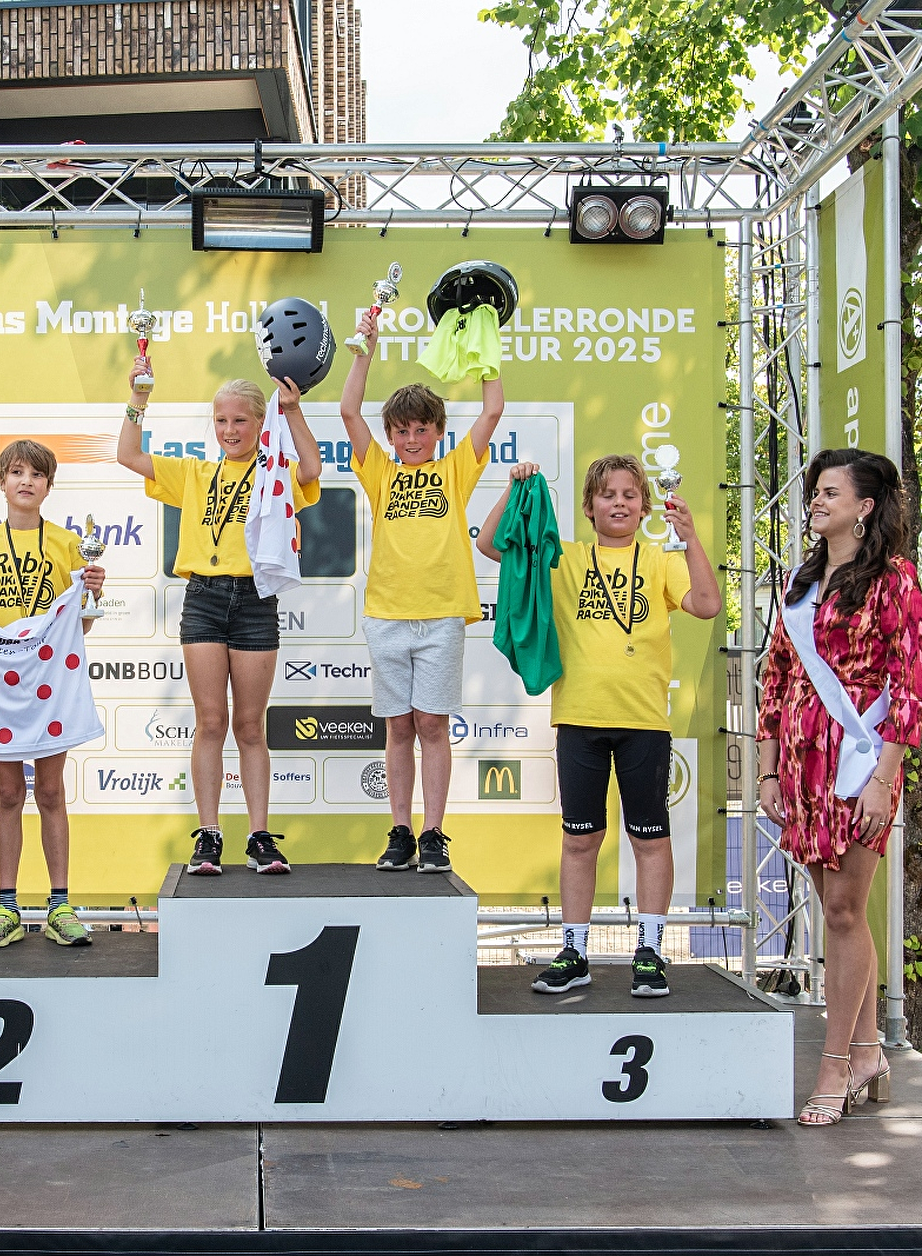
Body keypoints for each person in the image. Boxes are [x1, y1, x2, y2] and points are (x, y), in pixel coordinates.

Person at [477, 455, 721, 996]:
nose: (619, 503)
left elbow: (707, 605)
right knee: (580, 839)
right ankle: (575, 952)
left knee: (650, 838)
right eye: (607, 494)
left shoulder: (659, 559)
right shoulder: (564, 558)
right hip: (579, 719)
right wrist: (513, 489)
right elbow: (491, 545)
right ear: (588, 507)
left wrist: (690, 537)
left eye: (630, 495)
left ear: (644, 506)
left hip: (644, 722)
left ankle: (651, 951)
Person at [757, 449, 920, 1126]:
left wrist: (884, 778)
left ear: (864, 506)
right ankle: (868, 1052)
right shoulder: (802, 580)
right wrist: (768, 769)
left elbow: (909, 683)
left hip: (859, 762)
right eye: (814, 492)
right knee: (837, 909)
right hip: (801, 765)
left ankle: (833, 1067)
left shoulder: (894, 579)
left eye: (829, 492)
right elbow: (774, 677)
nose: (816, 502)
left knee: (846, 911)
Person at [117, 355, 322, 874]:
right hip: (203, 600)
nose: (230, 430)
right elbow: (127, 454)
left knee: (250, 725)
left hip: (255, 601)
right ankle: (208, 835)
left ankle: (259, 836)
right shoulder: (194, 472)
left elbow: (312, 469)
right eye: (221, 420)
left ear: (260, 422)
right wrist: (138, 398)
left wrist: (293, 410)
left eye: (240, 420)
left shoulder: (274, 473)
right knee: (211, 721)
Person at [340, 310, 504, 873]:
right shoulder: (380, 472)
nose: (412, 439)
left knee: (432, 725)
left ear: (438, 432)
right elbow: (348, 411)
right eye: (402, 431)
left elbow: (492, 410)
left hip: (441, 617)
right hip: (387, 615)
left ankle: (434, 832)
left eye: (422, 430)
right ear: (390, 436)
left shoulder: (456, 470)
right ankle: (401, 831)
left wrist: (486, 350)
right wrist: (364, 349)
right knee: (397, 726)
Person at [0, 440, 105, 948]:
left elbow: (81, 626)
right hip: (1, 683)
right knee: (8, 793)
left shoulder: (69, 544)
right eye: (16, 472)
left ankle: (60, 906)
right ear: (2, 482)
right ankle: (6, 907)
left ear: (49, 486)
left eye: (36, 474)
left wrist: (92, 592)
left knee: (50, 791)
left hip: (50, 680)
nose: (26, 481)